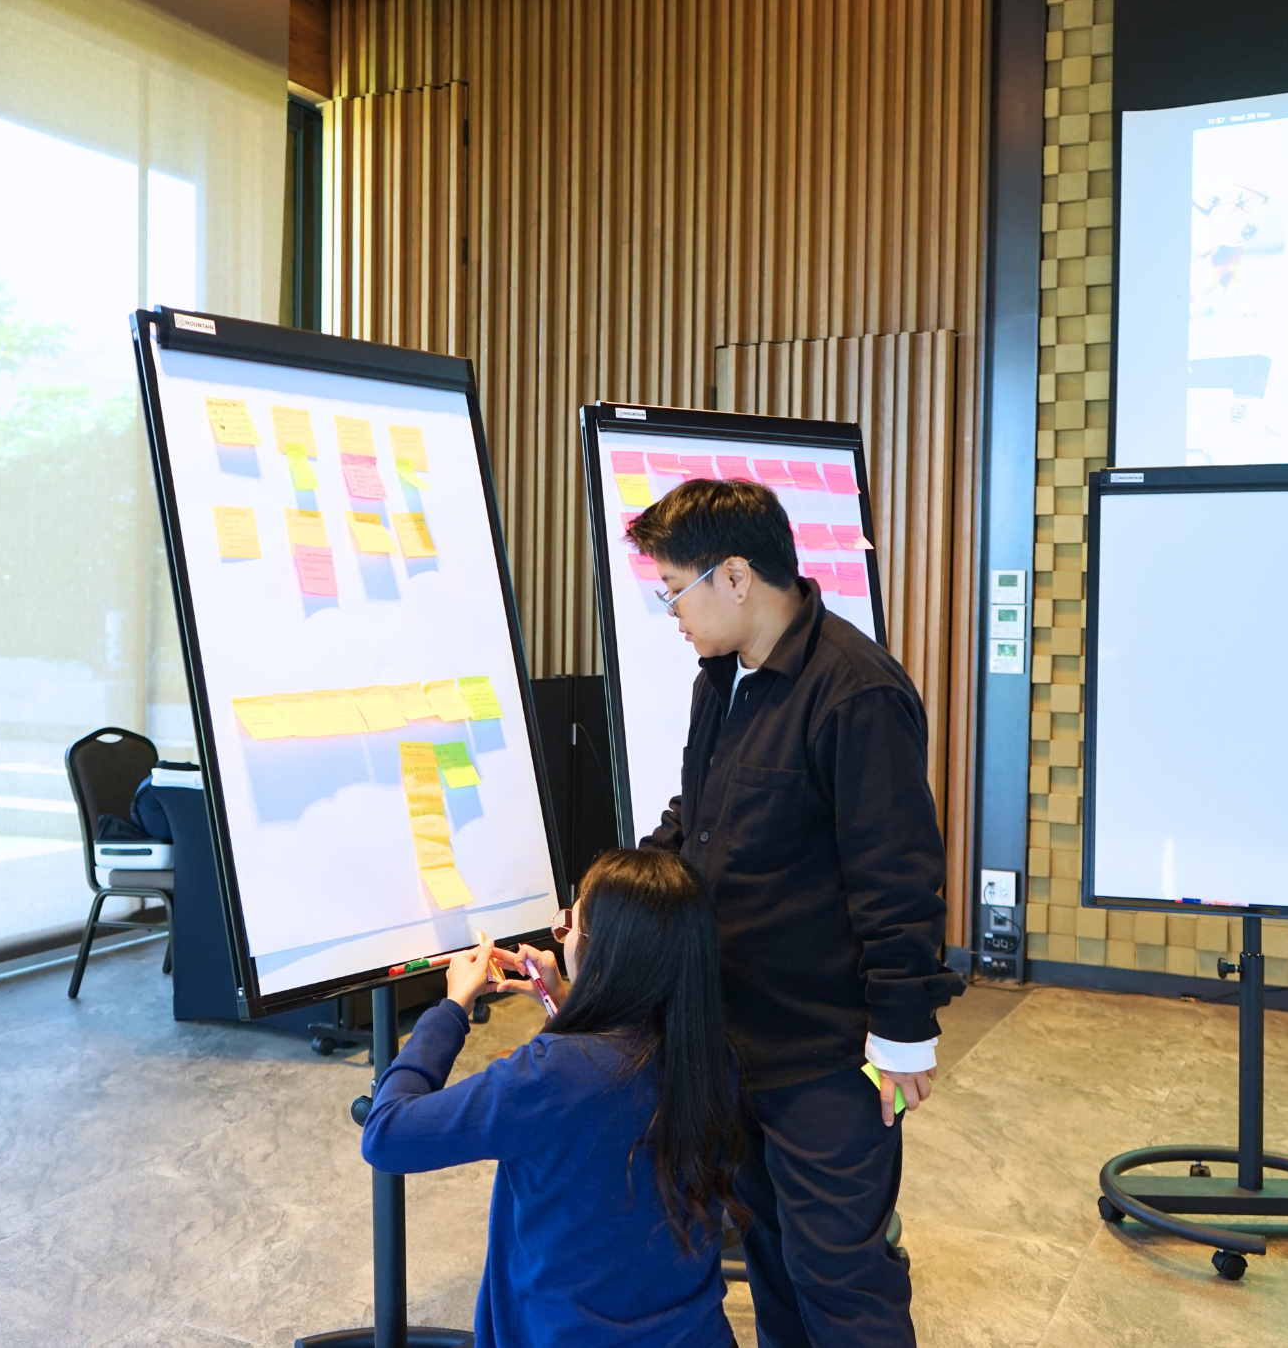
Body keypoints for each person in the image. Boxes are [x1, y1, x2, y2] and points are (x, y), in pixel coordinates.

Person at [626, 477, 964, 1348]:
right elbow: (698, 815)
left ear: (736, 576)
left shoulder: (855, 692)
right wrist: (617, 889)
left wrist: (903, 1030)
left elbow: (897, 874)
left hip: (824, 1053)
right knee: (772, 1257)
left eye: (675, 590)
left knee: (839, 1274)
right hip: (729, 1037)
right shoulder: (720, 680)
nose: (673, 613)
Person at [361, 848, 745, 1348]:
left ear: (601, 953)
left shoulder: (548, 1075)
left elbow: (387, 1134)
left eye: (569, 927)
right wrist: (565, 1001)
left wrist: (452, 1007)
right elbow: (611, 1074)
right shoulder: (713, 1057)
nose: (561, 937)